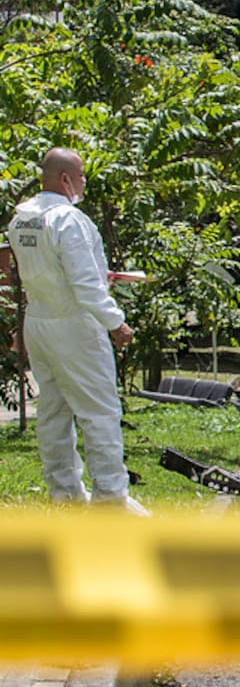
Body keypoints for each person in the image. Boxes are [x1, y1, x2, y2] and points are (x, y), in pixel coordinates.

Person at [7, 147, 147, 515]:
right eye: (81, 175)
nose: (84, 182)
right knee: (98, 413)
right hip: (75, 326)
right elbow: (85, 283)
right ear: (66, 179)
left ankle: (65, 494)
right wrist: (116, 321)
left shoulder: (21, 219)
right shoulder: (68, 220)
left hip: (39, 322)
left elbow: (29, 274)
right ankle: (110, 499)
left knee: (52, 413)